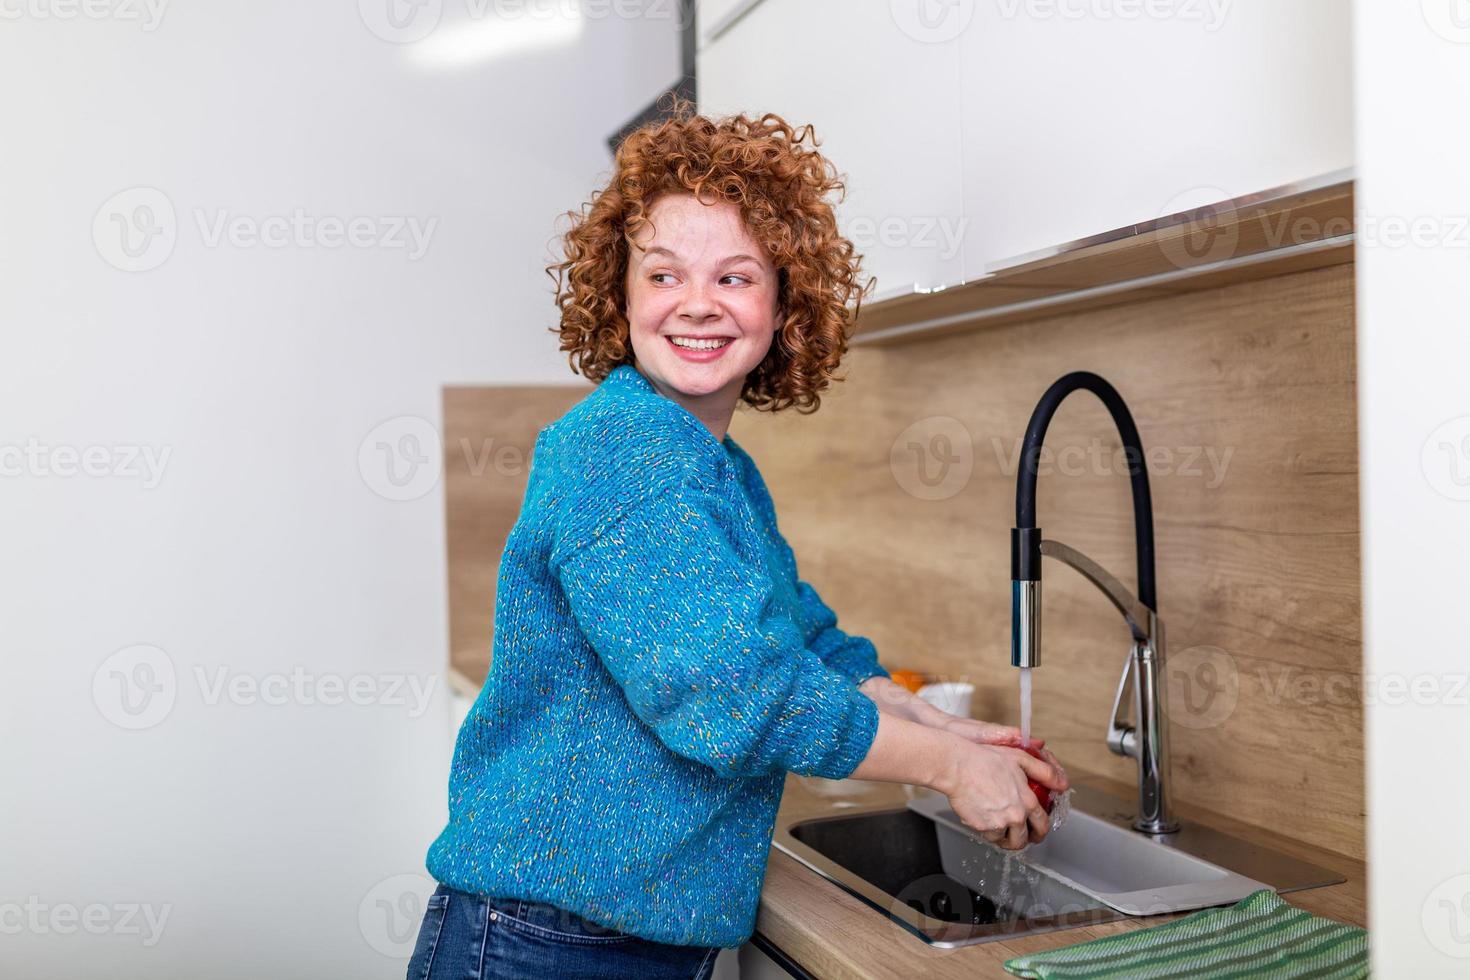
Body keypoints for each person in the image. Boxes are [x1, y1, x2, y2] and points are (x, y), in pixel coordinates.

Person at [406, 96, 1067, 980]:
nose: (698, 305)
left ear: (783, 301)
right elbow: (735, 696)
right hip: (546, 942)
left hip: (611, 937)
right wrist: (947, 765)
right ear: (620, 293)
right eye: (664, 275)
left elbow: (798, 637)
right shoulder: (623, 451)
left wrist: (931, 722)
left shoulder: (714, 464)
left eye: (736, 276)